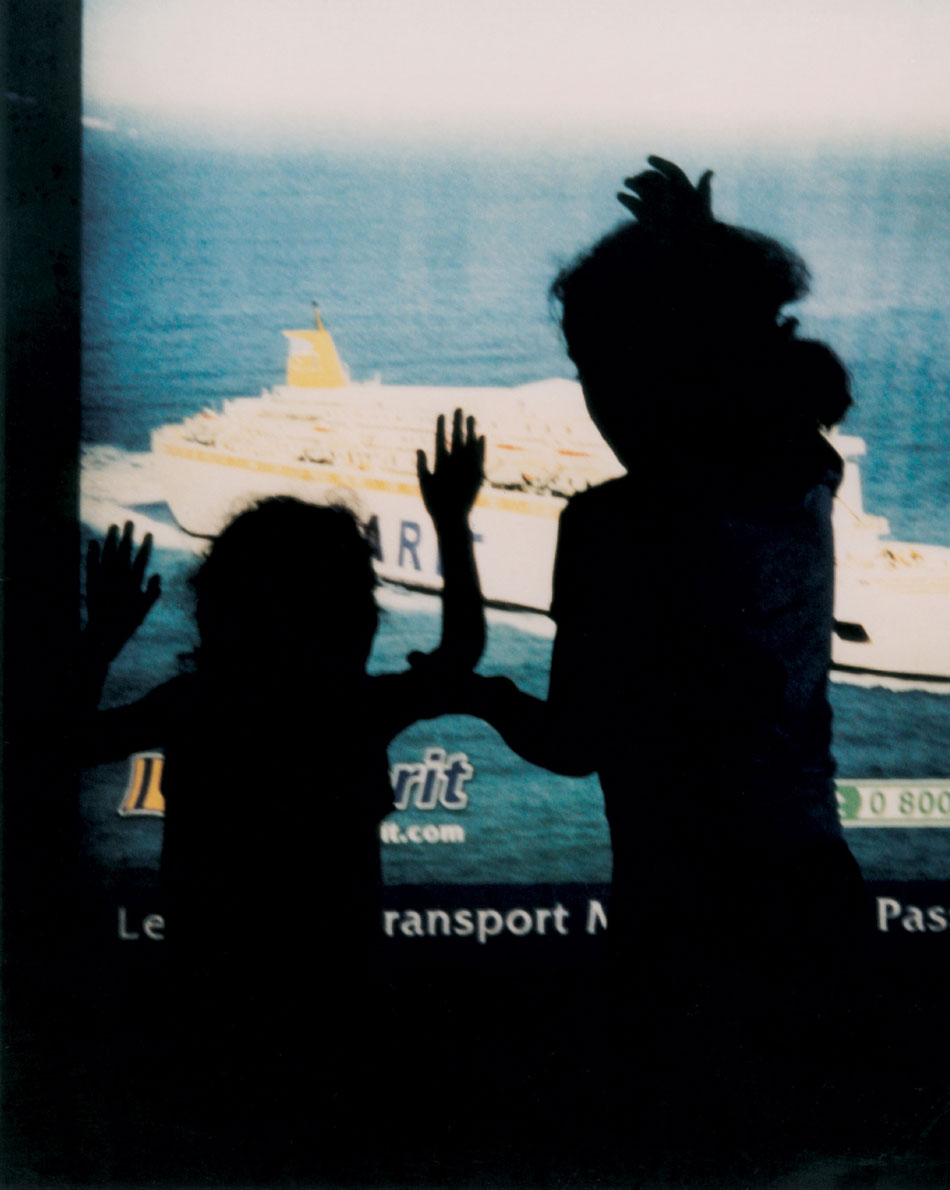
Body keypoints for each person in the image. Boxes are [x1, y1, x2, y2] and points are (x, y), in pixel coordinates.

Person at [454, 158, 868, 1162]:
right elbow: (740, 363)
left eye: (592, 368)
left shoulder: (612, 525)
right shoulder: (803, 476)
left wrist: (478, 690)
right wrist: (699, 247)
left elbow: (573, 740)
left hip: (688, 916)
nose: (590, 397)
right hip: (816, 894)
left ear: (644, 379)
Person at [77, 411, 485, 1172]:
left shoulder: (195, 704)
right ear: (355, 617)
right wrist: (453, 525)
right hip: (344, 1006)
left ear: (218, 610)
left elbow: (60, 743)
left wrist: (99, 639)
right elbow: (461, 650)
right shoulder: (354, 709)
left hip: (206, 1008)